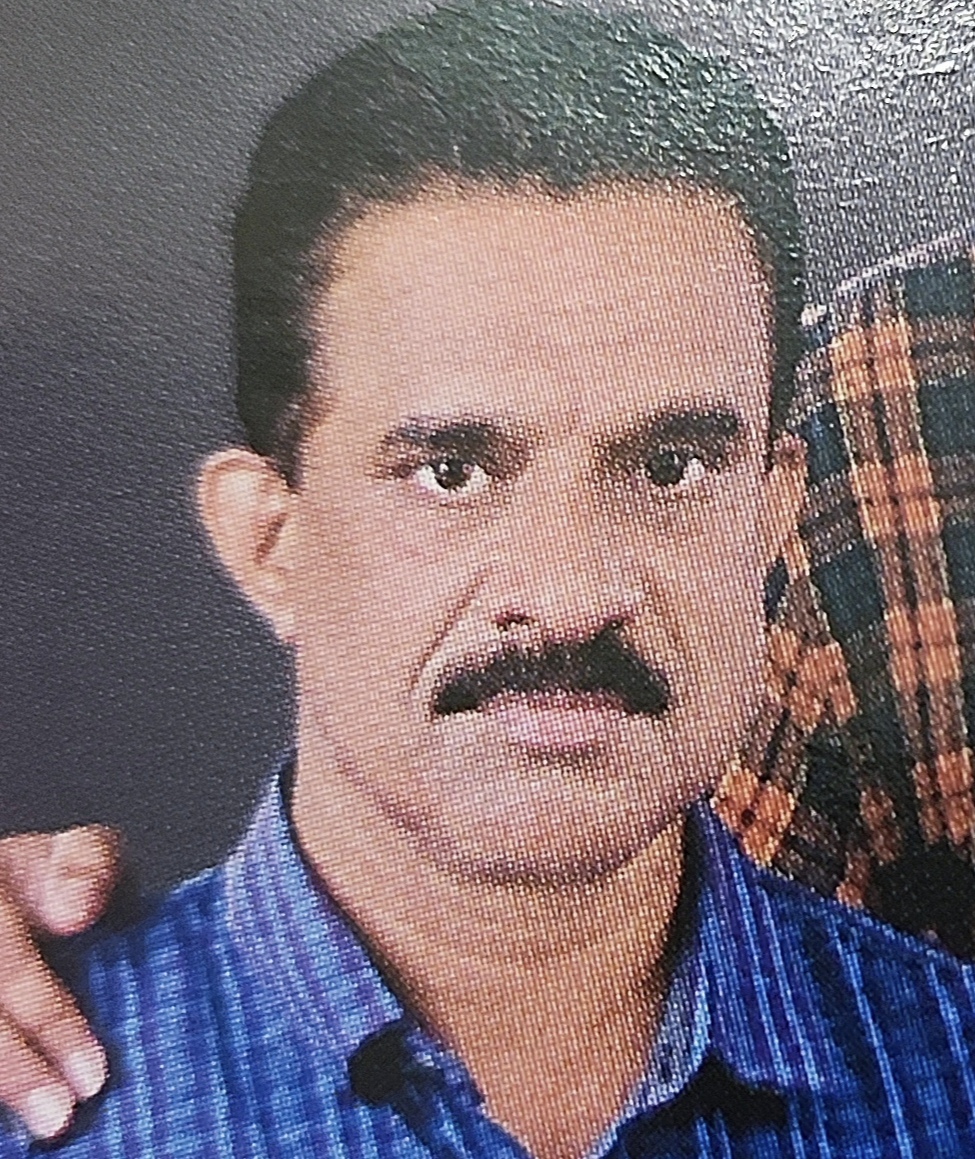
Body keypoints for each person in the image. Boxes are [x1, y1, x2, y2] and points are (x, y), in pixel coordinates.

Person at [2, 1, 975, 1155]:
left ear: (772, 516)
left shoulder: (952, 1072)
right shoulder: (40, 1103)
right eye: (452, 471)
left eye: (670, 465)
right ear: (270, 541)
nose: (569, 592)